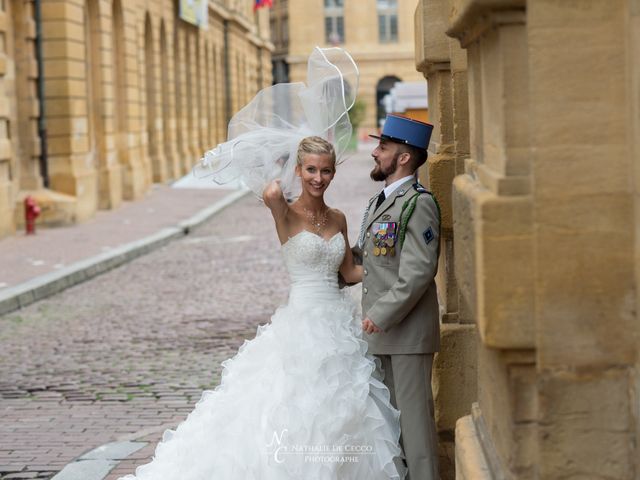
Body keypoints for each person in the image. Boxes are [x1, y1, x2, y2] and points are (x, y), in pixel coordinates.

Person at [118, 136, 407, 480]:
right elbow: (270, 190)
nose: (318, 178)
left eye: (326, 171)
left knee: (346, 406)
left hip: (340, 323)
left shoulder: (338, 218)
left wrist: (387, 266)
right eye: (310, 169)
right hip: (301, 322)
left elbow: (349, 272)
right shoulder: (283, 211)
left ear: (333, 173)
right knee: (293, 405)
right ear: (297, 171)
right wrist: (287, 163)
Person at [356, 114, 441, 480]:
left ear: (403, 157)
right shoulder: (381, 201)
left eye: (383, 147)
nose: (375, 153)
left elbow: (419, 271)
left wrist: (382, 314)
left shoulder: (417, 203)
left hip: (405, 334)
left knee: (415, 431)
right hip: (382, 334)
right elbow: (369, 260)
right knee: (391, 430)